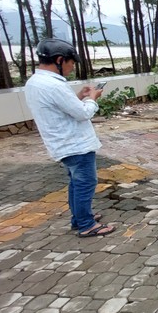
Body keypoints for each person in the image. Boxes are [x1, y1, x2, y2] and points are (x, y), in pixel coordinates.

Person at [25, 38, 115, 238]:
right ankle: (86, 224)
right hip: (75, 145)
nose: (72, 67)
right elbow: (83, 114)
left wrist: (80, 96)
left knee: (76, 183)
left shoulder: (35, 82)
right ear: (59, 59)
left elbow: (62, 108)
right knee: (85, 184)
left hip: (61, 143)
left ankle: (79, 218)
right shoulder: (53, 85)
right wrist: (92, 99)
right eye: (71, 62)